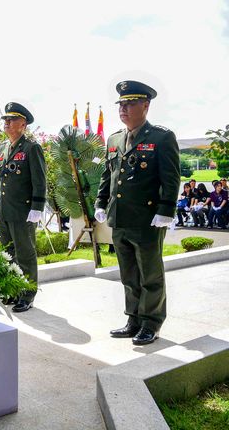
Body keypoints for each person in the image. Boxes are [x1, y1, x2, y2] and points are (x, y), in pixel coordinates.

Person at [95, 80, 180, 345]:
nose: (124, 109)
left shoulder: (161, 137)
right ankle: (133, 318)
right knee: (129, 274)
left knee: (150, 275)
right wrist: (100, 202)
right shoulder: (114, 139)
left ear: (146, 105)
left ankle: (151, 323)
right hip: (120, 218)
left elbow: (171, 178)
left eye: (130, 104)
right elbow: (108, 176)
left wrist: (166, 210)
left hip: (147, 220)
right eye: (121, 104)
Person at [0, 102, 47, 312]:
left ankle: (27, 294)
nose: (7, 123)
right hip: (5, 211)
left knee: (25, 254)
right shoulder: (2, 148)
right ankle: (12, 290)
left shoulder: (31, 148)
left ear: (23, 124)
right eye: (5, 120)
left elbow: (40, 180)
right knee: (6, 253)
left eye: (12, 119)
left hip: (24, 211)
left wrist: (37, 207)